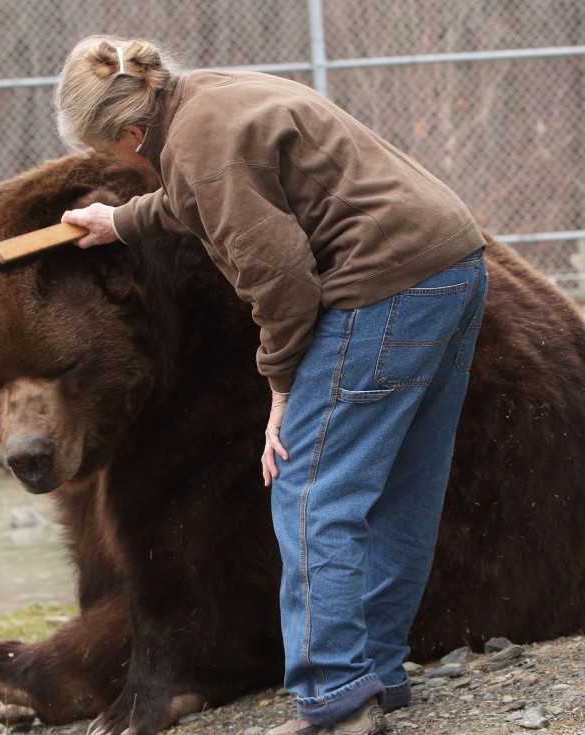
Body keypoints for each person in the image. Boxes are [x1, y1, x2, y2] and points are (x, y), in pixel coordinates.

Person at [56, 35, 488, 735]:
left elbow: (282, 278)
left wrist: (281, 389)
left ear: (129, 132)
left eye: (106, 152)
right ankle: (374, 668)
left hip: (383, 283)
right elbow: (207, 196)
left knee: (310, 485)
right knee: (406, 483)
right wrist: (122, 220)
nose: (116, 163)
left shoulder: (199, 142)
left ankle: (337, 697)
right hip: (452, 265)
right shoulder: (205, 96)